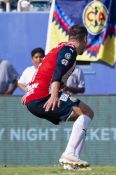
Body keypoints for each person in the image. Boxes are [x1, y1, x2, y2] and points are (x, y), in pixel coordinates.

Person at [22, 24, 93, 170]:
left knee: (83, 115)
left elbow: (41, 72)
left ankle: (73, 163)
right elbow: (58, 71)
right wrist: (54, 95)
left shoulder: (58, 48)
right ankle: (69, 154)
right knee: (86, 113)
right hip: (45, 96)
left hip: (34, 98)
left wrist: (29, 92)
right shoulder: (70, 50)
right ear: (85, 38)